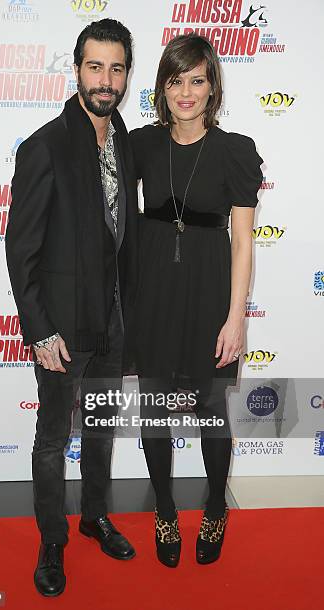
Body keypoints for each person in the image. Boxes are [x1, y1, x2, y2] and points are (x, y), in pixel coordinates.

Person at [5, 19, 138, 597]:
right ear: (77, 69)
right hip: (61, 328)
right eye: (95, 66)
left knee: (103, 430)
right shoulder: (45, 146)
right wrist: (39, 328)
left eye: (116, 68)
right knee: (53, 439)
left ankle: (94, 516)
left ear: (126, 75)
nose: (105, 80)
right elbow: (21, 249)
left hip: (113, 322)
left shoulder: (126, 138)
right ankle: (52, 540)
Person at [129, 34, 263, 568]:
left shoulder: (235, 151)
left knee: (211, 414)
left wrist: (236, 318)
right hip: (154, 296)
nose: (186, 92)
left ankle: (213, 507)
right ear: (163, 87)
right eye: (176, 80)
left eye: (197, 80)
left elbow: (244, 242)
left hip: (210, 298)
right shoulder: (140, 143)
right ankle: (163, 507)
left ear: (213, 88)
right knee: (156, 412)